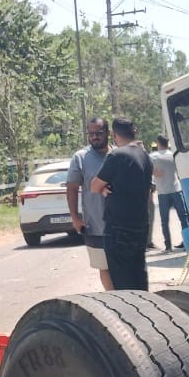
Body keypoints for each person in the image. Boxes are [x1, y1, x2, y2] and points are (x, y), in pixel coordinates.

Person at [91, 117, 154, 291]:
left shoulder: (117, 155)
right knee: (139, 276)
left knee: (122, 283)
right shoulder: (145, 156)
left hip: (119, 229)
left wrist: (104, 189)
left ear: (113, 134)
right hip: (140, 226)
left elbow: (95, 186)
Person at [66, 118, 112, 289]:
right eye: (91, 134)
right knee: (104, 266)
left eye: (98, 133)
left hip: (121, 224)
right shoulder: (80, 158)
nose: (94, 137)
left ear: (107, 133)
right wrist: (75, 218)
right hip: (95, 224)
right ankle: (114, 298)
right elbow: (71, 188)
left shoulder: (117, 155)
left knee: (122, 266)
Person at [150, 135, 189, 253]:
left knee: (164, 221)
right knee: (183, 218)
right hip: (176, 190)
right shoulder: (173, 154)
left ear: (158, 143)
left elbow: (144, 166)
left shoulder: (153, 156)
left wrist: (153, 172)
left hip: (163, 192)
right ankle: (188, 243)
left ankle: (168, 246)